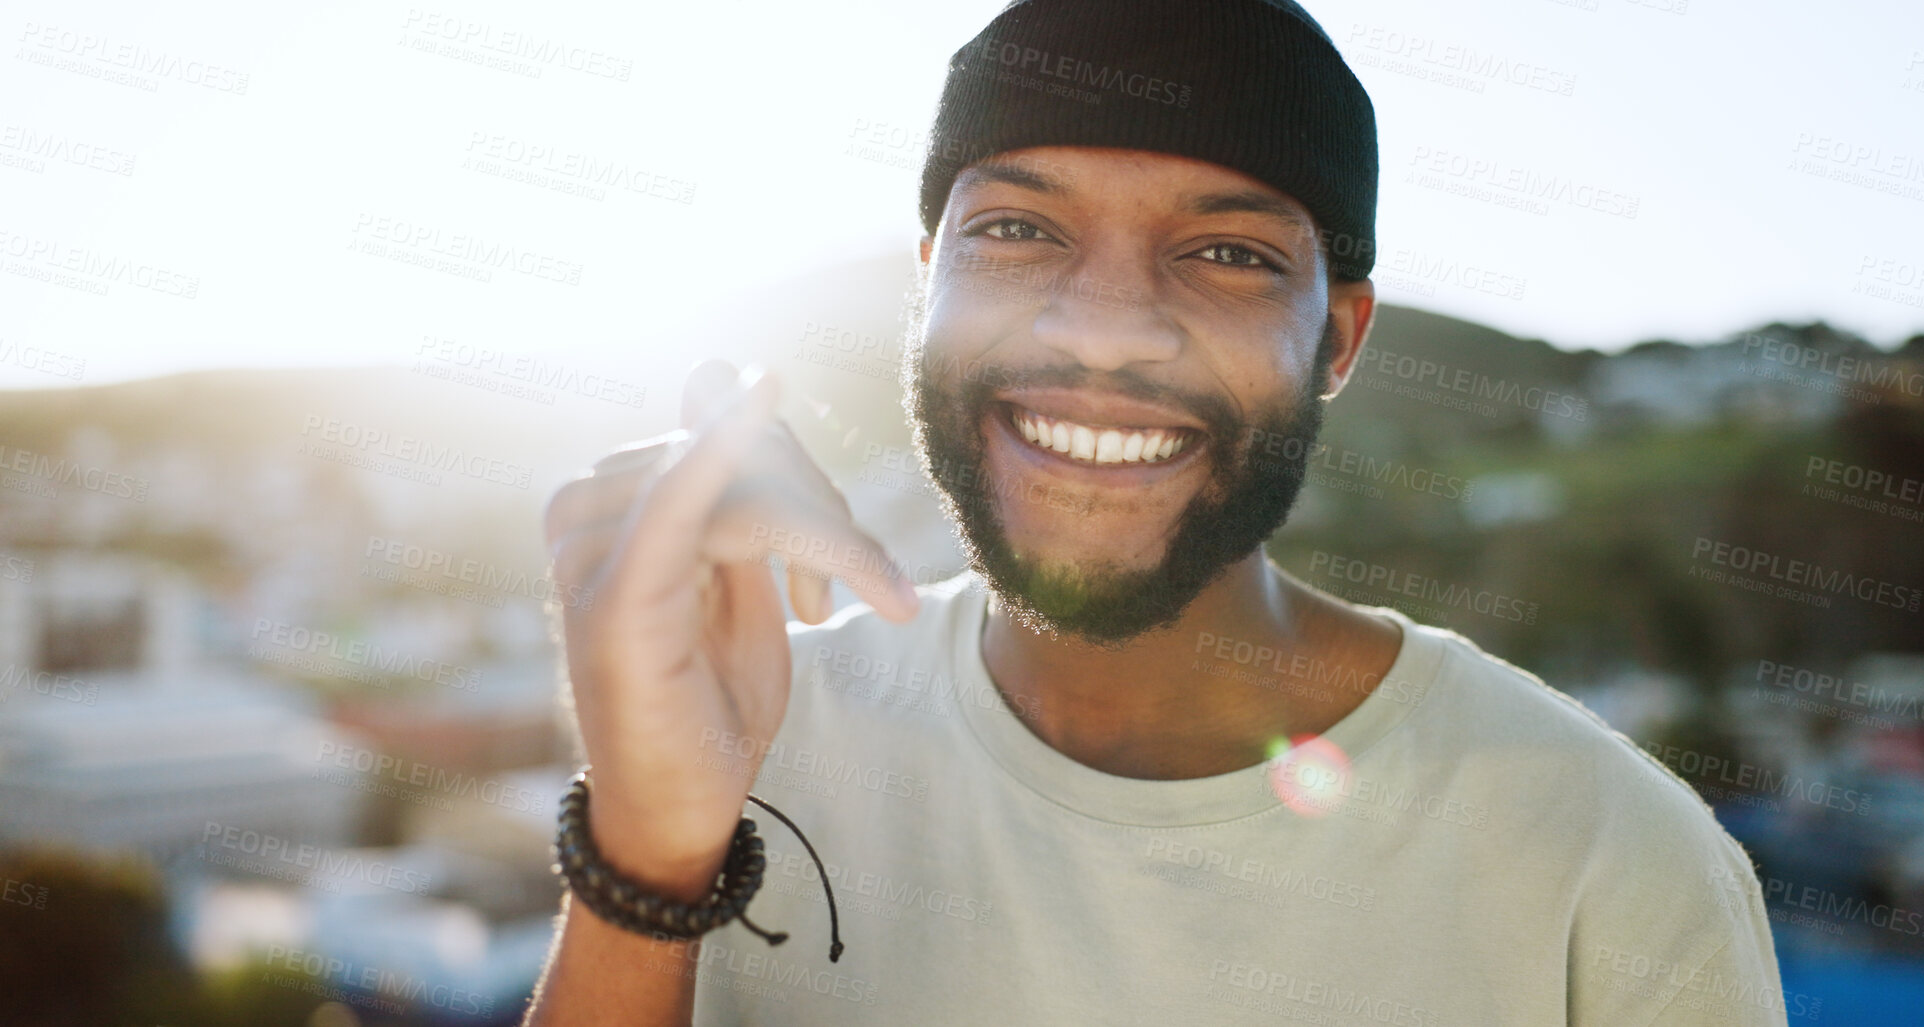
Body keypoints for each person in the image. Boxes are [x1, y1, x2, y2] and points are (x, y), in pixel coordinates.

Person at [525, 0, 1789, 1023]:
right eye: (1019, 230)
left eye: (1229, 252)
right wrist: (647, 860)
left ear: (1336, 340)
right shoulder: (752, 733)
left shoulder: (1610, 859)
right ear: (929, 287)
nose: (1106, 331)